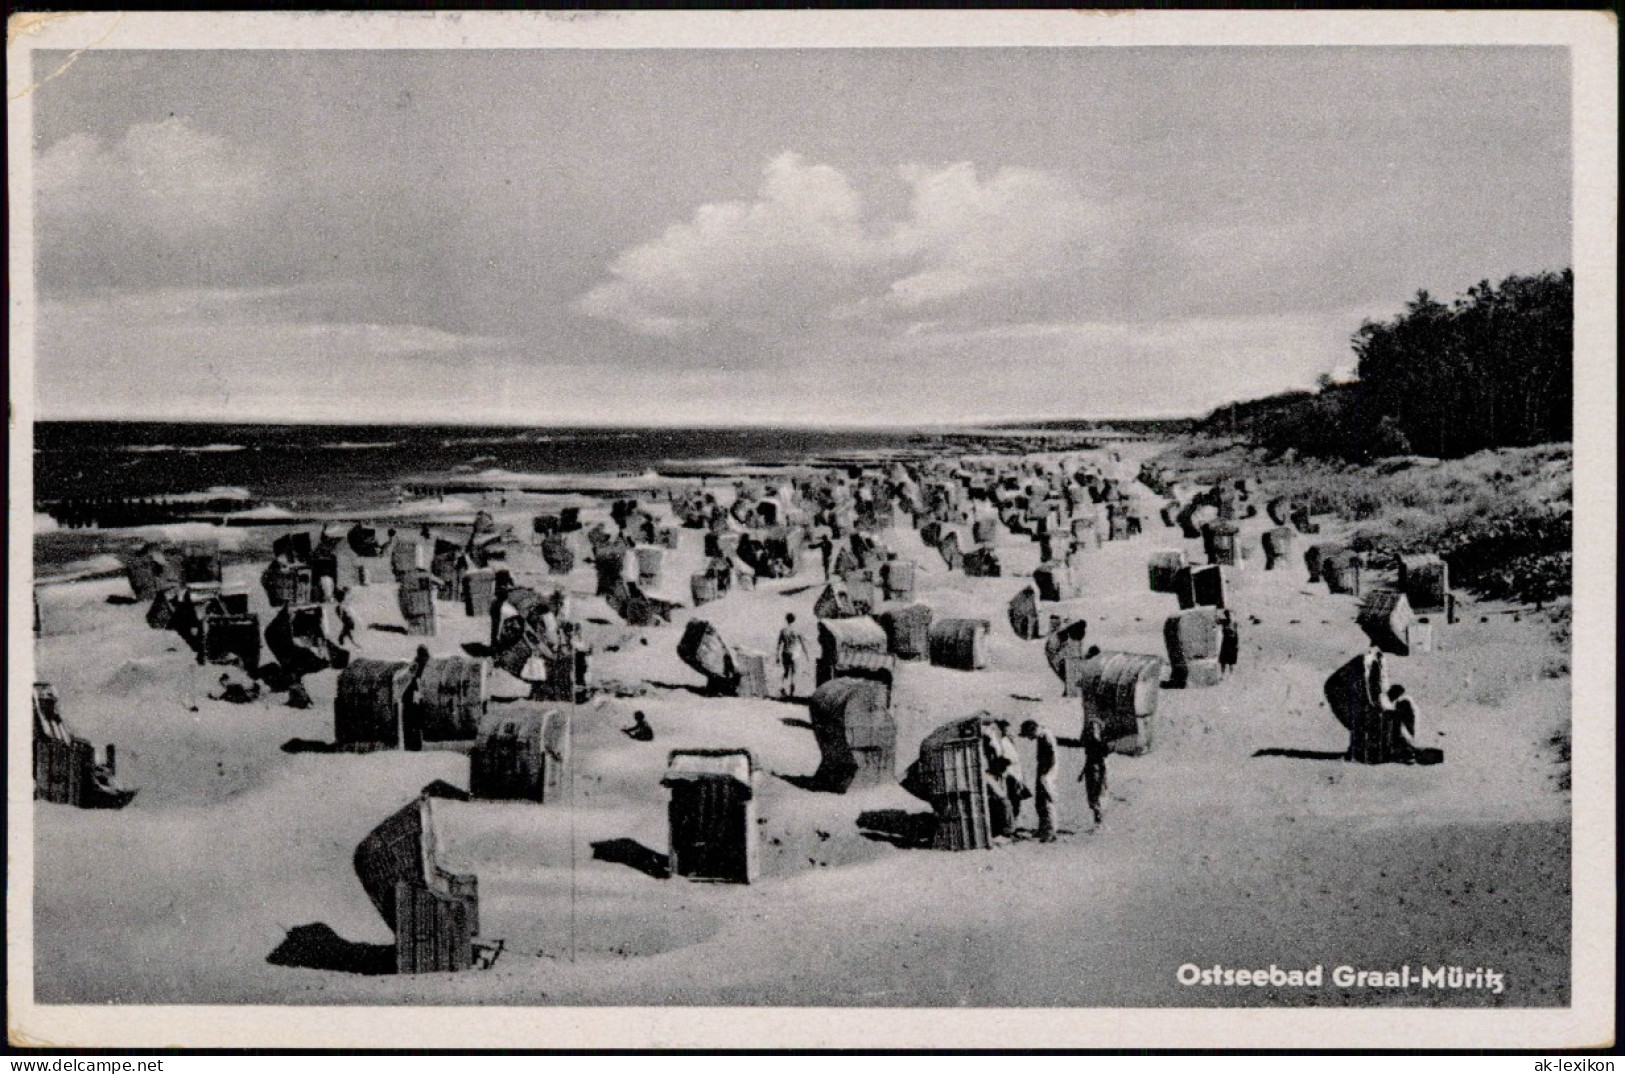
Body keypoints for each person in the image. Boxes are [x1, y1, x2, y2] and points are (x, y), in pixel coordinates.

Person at [1019, 719, 1059, 843]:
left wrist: (1045, 775)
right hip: (1042, 770)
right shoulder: (1042, 735)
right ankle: (1043, 828)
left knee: (1046, 802)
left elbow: (1052, 757)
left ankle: (1050, 832)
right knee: (1040, 802)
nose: (1029, 738)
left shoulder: (1046, 736)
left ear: (1033, 729)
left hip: (1047, 772)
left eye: (1029, 735)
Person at [992, 719, 1029, 824]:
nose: (1008, 732)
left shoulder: (1009, 740)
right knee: (1012, 798)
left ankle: (1014, 821)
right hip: (1009, 772)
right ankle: (1011, 822)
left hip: (1016, 772)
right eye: (1005, 730)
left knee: (1017, 798)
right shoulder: (999, 742)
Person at [1077, 714, 1110, 826]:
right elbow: (1088, 759)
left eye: (1094, 728)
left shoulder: (1100, 744)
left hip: (1097, 770)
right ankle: (1098, 821)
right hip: (1090, 770)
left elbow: (1103, 762)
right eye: (1090, 728)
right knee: (1092, 797)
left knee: (1096, 796)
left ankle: (1099, 822)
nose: (1092, 730)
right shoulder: (1091, 743)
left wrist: (1103, 777)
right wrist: (1082, 773)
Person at [1386, 685, 1421, 763]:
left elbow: (1401, 721)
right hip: (1408, 732)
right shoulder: (1405, 701)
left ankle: (1406, 752)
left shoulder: (1403, 702)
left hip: (1406, 733)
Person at [777, 613, 808, 698]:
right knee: (794, 673)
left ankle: (782, 687)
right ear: (794, 620)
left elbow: (779, 644)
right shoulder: (797, 630)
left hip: (785, 652)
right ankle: (791, 692)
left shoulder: (783, 630)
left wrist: (777, 656)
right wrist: (807, 655)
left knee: (786, 672)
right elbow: (803, 643)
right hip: (795, 653)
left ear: (786, 620)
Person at [1219, 613, 1240, 678]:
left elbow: (1235, 637)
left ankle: (1228, 674)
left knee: (1227, 661)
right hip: (1228, 644)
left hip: (1229, 644)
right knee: (1226, 661)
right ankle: (1226, 674)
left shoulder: (1229, 627)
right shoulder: (1227, 625)